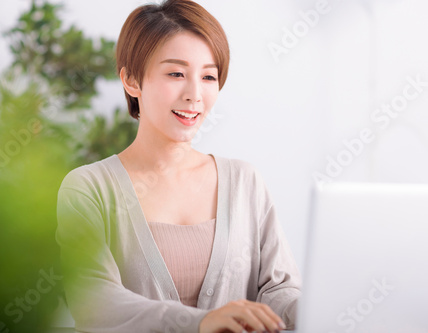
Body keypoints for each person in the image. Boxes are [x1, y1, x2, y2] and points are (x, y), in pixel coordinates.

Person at [55, 0, 301, 332]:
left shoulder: (244, 181)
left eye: (209, 76)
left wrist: (320, 309)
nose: (194, 94)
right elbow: (94, 301)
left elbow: (278, 290)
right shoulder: (89, 188)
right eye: (176, 73)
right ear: (131, 80)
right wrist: (200, 322)